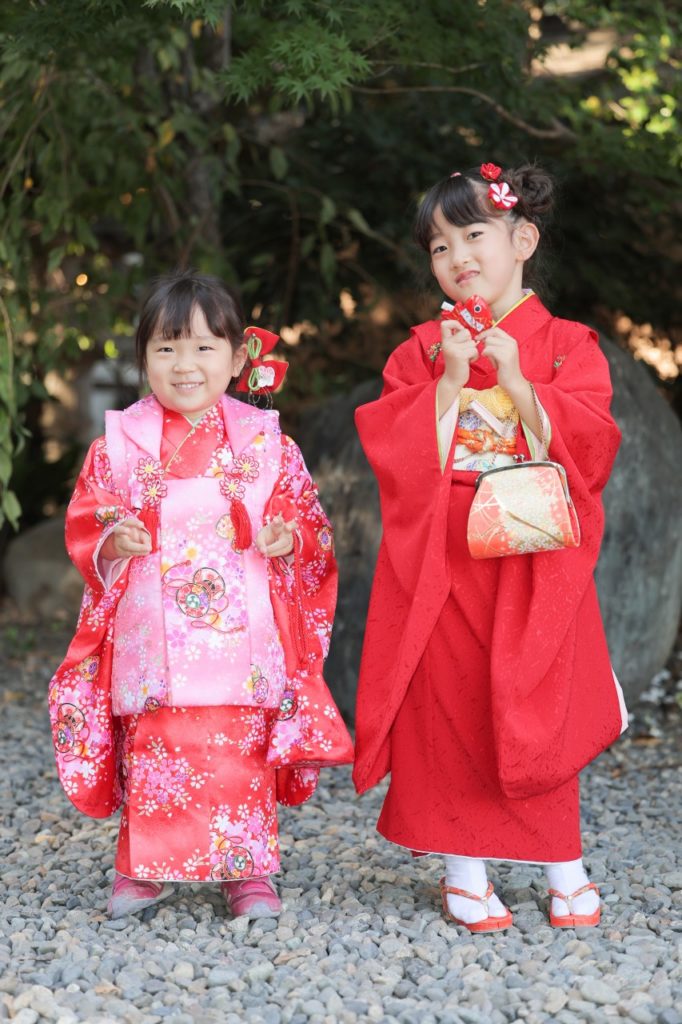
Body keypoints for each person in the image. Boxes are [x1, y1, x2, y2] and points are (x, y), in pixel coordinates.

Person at [353, 162, 627, 932]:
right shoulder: (419, 349)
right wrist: (446, 382)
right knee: (448, 709)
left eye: (474, 235)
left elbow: (595, 448)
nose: (457, 257)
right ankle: (464, 871)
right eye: (439, 246)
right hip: (448, 558)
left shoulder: (571, 345)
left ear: (523, 239)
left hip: (536, 558)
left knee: (537, 703)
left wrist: (519, 380)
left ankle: (561, 861)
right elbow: (393, 450)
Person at [49, 270, 353, 920]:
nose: (184, 365)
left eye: (203, 347)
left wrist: (285, 537)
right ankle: (144, 867)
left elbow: (309, 524)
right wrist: (113, 536)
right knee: (157, 749)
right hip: (153, 633)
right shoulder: (121, 445)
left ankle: (247, 874)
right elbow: (89, 515)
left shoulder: (267, 443)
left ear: (239, 357)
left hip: (241, 636)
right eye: (166, 348)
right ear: (143, 359)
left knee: (239, 752)